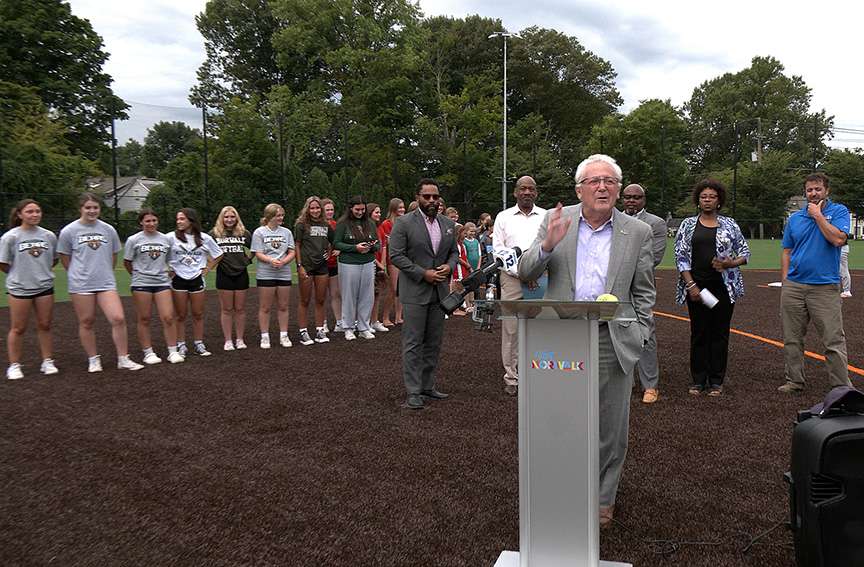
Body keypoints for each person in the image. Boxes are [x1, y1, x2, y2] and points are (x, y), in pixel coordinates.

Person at [518, 154, 655, 526]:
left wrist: (641, 332)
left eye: (610, 181)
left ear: (618, 188)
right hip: (562, 334)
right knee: (560, 419)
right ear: (579, 189)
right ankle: (563, 487)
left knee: (611, 427)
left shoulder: (637, 232)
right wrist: (547, 245)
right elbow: (526, 271)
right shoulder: (555, 220)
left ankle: (603, 497)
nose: (602, 187)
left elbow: (643, 290)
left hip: (614, 337)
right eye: (594, 181)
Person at [778, 173, 852, 394]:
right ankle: (794, 381)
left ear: (826, 191)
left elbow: (838, 239)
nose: (813, 193)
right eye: (809, 190)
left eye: (818, 189)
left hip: (825, 286)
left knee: (833, 339)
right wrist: (785, 281)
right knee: (792, 338)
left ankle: (841, 386)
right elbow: (787, 251)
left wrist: (818, 215)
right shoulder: (795, 219)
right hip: (794, 286)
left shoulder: (838, 212)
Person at [674, 180, 749, 396]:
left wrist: (728, 264)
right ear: (698, 200)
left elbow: (745, 253)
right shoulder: (688, 224)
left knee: (719, 333)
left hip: (723, 287)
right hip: (696, 287)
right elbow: (680, 257)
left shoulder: (730, 224)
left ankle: (716, 380)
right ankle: (698, 380)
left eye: (712, 197)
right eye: (703, 196)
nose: (707, 200)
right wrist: (691, 285)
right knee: (699, 332)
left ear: (719, 201)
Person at [389, 178, 458, 409]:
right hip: (415, 292)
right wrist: (423, 273)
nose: (431, 200)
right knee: (413, 343)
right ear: (417, 197)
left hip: (439, 294)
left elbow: (453, 253)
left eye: (435, 196)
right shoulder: (404, 223)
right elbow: (396, 255)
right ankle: (413, 391)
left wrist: (449, 266)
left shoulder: (447, 223)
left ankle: (428, 386)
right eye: (426, 196)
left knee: (433, 343)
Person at [58, 193, 144, 372]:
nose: (92, 211)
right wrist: (76, 274)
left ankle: (123, 358)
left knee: (118, 318)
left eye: (95, 207)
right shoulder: (69, 231)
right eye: (88, 207)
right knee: (87, 321)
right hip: (81, 284)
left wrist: (104, 272)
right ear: (80, 209)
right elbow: (65, 258)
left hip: (105, 282)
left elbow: (113, 255)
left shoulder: (108, 229)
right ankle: (93, 359)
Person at [493, 175, 546, 396]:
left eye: (531, 189)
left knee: (539, 327)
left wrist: (534, 271)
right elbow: (499, 250)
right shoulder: (503, 217)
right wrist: (523, 273)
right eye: (522, 189)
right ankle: (512, 377)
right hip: (512, 279)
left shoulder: (546, 216)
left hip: (540, 278)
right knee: (512, 330)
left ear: (536, 193)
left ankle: (535, 372)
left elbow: (551, 246)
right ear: (515, 192)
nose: (527, 192)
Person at [1, 199, 59, 379]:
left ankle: (47, 361)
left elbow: (53, 259)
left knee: (45, 324)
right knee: (18, 328)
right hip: (20, 288)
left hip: (44, 286)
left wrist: (39, 272)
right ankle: (14, 365)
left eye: (37, 211)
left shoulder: (48, 235)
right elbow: (3, 263)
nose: (34, 215)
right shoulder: (11, 237)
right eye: (29, 212)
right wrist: (20, 275)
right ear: (20, 215)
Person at [621, 184, 667, 404]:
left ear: (644, 199)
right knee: (618, 333)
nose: (631, 201)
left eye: (636, 198)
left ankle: (650, 385)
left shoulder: (656, 223)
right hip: (616, 287)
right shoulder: (612, 219)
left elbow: (654, 258)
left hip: (640, 286)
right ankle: (624, 382)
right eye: (628, 197)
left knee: (645, 334)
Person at [123, 209, 184, 365]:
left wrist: (168, 272)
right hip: (141, 283)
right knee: (144, 318)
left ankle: (173, 351)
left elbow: (170, 260)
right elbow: (127, 262)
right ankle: (148, 352)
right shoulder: (133, 240)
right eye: (147, 221)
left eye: (154, 220)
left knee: (168, 317)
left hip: (162, 283)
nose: (151, 224)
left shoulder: (165, 239)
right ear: (141, 222)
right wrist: (138, 276)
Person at [167, 207, 224, 357]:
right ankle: (181, 345)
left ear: (191, 221)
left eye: (182, 219)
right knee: (180, 314)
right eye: (177, 219)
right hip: (178, 280)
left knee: (198, 314)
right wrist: (168, 268)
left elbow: (218, 254)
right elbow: (160, 253)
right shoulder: (170, 237)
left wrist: (207, 269)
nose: (178, 221)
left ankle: (199, 343)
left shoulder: (205, 238)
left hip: (196, 279)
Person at [333, 195, 379, 340]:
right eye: (357, 209)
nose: (360, 212)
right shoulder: (343, 223)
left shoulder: (370, 223)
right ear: (350, 208)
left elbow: (377, 243)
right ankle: (348, 327)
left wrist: (370, 247)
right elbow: (337, 243)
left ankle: (364, 326)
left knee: (367, 295)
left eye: (362, 209)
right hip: (349, 263)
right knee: (349, 295)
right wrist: (354, 247)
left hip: (368, 261)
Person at [252, 203, 296, 349]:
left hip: (283, 272)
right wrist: (271, 260)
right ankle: (265, 336)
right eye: (278, 215)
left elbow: (292, 251)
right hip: (266, 273)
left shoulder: (287, 232)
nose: (281, 218)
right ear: (269, 216)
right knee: (265, 307)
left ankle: (284, 335)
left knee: (283, 306)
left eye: (282, 215)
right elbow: (258, 253)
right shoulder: (259, 232)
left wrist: (283, 261)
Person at [210, 206, 252, 351]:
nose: (229, 220)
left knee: (240, 309)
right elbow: (206, 251)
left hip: (241, 273)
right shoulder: (215, 234)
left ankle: (240, 339)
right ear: (222, 218)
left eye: (232, 217)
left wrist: (248, 260)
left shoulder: (244, 233)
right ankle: (228, 340)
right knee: (226, 309)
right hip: (224, 274)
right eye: (226, 217)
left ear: (237, 218)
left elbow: (255, 248)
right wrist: (210, 264)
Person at [294, 196, 333, 346]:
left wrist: (329, 252)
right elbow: (297, 245)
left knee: (321, 299)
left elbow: (333, 241)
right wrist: (299, 265)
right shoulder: (301, 225)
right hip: (306, 266)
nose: (315, 210)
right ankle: (303, 331)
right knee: (304, 300)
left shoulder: (325, 224)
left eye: (317, 208)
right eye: (312, 208)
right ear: (307, 209)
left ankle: (319, 329)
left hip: (321, 267)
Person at [378, 198, 405, 326]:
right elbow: (386, 242)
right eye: (399, 207)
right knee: (393, 289)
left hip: (404, 258)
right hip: (392, 259)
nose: (402, 210)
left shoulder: (405, 222)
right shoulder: (387, 224)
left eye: (403, 207)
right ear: (393, 208)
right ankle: (385, 317)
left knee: (402, 289)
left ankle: (398, 316)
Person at [367, 202, 390, 333]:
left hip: (379, 265)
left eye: (380, 212)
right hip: (370, 264)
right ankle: (367, 321)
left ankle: (374, 321)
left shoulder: (380, 227)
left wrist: (383, 264)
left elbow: (384, 246)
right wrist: (379, 264)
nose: (379, 214)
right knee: (369, 295)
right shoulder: (369, 228)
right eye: (376, 212)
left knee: (377, 294)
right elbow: (370, 249)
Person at [322, 198, 344, 333]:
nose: (330, 212)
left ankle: (339, 322)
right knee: (321, 295)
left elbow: (340, 242)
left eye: (331, 209)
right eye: (327, 210)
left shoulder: (336, 225)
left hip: (334, 263)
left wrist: (339, 249)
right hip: (321, 265)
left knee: (336, 294)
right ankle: (322, 322)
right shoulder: (317, 225)